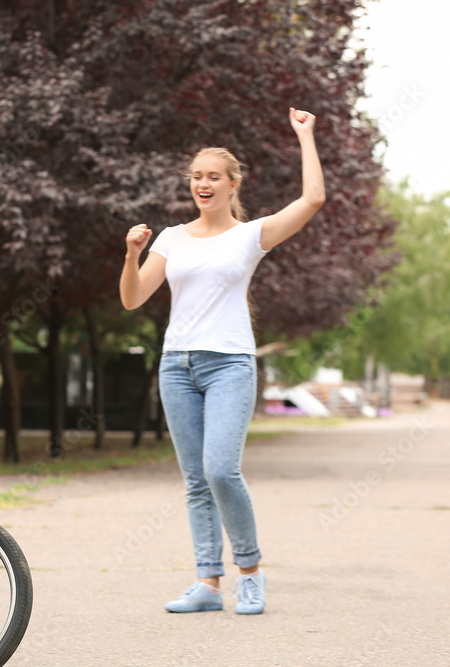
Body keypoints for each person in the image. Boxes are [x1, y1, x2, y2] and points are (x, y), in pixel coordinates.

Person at [119, 108, 325, 615]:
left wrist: (305, 135)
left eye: (213, 176)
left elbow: (313, 199)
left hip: (230, 364)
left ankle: (249, 574)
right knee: (195, 479)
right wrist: (130, 255)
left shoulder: (250, 235)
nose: (203, 184)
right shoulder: (170, 238)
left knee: (220, 470)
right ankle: (208, 584)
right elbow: (132, 299)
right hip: (176, 367)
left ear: (233, 184)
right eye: (196, 177)